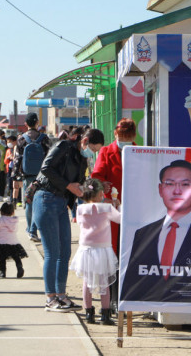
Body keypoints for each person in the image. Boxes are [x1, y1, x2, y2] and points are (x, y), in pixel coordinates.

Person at [120, 160, 191, 303]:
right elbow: (133, 284)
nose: (177, 190)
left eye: (185, 184)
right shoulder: (143, 234)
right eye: (170, 183)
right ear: (160, 189)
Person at [33, 125, 104, 312]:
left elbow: (79, 184)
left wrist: (88, 192)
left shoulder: (81, 158)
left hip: (61, 202)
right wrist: (68, 186)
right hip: (46, 198)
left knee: (64, 252)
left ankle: (61, 295)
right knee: (52, 252)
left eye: (96, 151)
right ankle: (50, 298)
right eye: (93, 148)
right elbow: (46, 168)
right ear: (85, 141)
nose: (93, 153)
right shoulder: (63, 146)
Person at [91, 118, 137, 309]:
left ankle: (128, 296)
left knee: (130, 252)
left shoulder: (138, 151)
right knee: (113, 255)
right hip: (112, 211)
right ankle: (112, 299)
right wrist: (104, 187)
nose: (124, 140)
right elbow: (96, 176)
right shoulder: (106, 151)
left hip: (133, 209)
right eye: (121, 136)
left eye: (128, 137)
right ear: (115, 134)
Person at [69, 178, 121, 325]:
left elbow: (80, 223)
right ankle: (105, 314)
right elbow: (120, 219)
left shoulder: (80, 210)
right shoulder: (106, 208)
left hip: (86, 248)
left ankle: (88, 313)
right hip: (103, 248)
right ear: (100, 194)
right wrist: (118, 206)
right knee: (104, 282)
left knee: (87, 282)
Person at [14, 112, 51, 242]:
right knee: (40, 202)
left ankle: (30, 229)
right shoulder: (44, 138)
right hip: (42, 176)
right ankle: (36, 229)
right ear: (37, 123)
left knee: (29, 202)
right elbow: (49, 157)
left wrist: (15, 176)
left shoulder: (21, 139)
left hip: (27, 176)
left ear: (26, 124)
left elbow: (17, 159)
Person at [0, 202, 28, 278]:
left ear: (1, 211)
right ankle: (20, 267)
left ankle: (2, 271)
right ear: (13, 212)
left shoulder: (0, 220)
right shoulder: (14, 221)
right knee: (16, 257)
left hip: (1, 243)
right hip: (13, 242)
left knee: (2, 258)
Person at [4, 135, 18, 204]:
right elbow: (5, 161)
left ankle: (16, 199)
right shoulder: (8, 150)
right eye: (7, 142)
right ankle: (11, 198)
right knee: (10, 184)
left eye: (10, 142)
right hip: (9, 168)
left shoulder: (18, 148)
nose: (8, 143)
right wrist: (8, 158)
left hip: (16, 168)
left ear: (14, 141)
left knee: (16, 184)